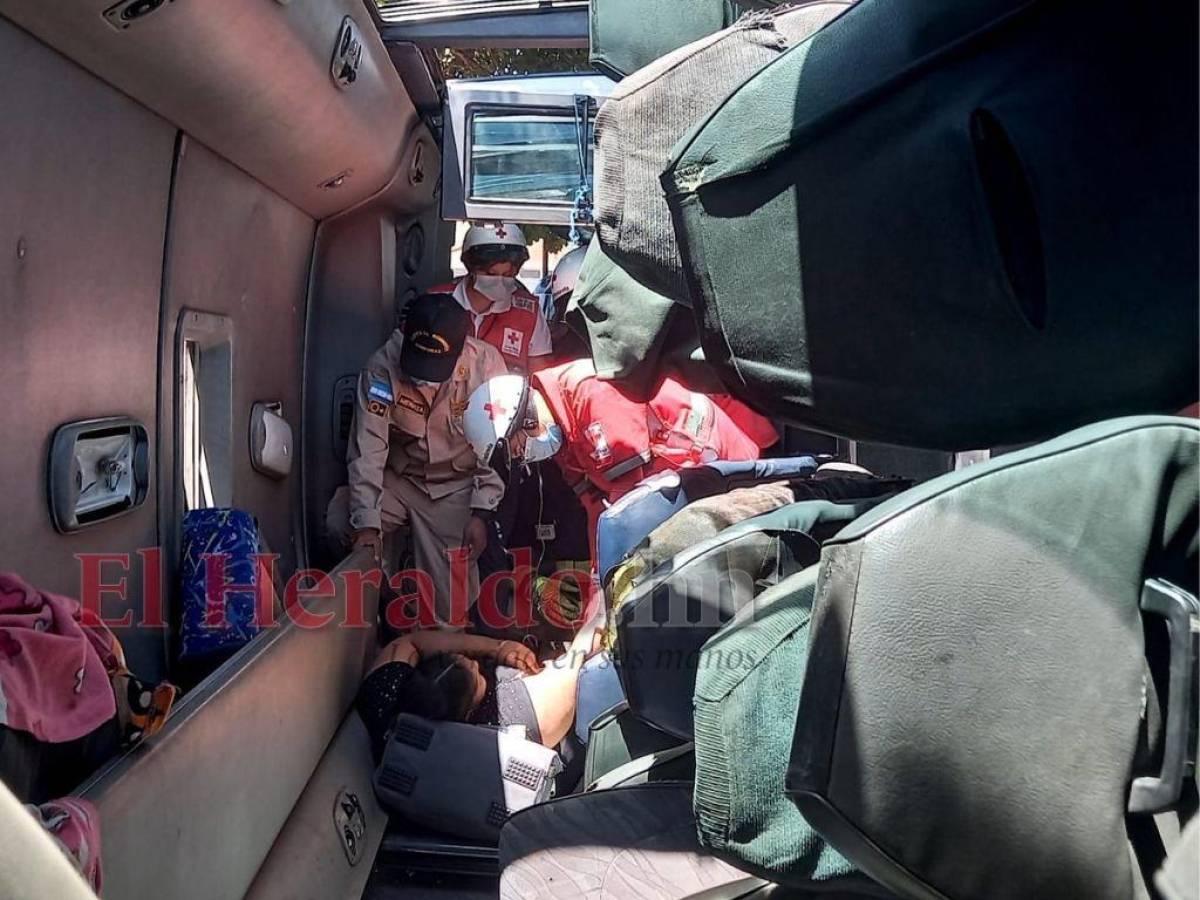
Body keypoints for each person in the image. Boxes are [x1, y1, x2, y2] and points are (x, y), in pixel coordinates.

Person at [461, 360, 780, 559]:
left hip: (723, 465)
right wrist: (600, 581)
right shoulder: (566, 435)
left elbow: (634, 504)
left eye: (515, 448)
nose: (521, 456)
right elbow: (597, 510)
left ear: (524, 420)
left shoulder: (590, 393)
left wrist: (614, 590)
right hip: (686, 485)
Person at [325, 293, 508, 627]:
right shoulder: (382, 367)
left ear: (461, 348)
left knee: (447, 614)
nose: (424, 377)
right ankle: (385, 600)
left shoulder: (486, 367)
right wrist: (367, 524)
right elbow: (368, 448)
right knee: (342, 521)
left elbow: (493, 449)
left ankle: (442, 649)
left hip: (456, 487)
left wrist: (482, 511)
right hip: (401, 479)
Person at [355, 609, 604, 758]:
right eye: (479, 677)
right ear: (469, 713)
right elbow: (575, 662)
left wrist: (498, 647)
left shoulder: (382, 691)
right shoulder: (518, 717)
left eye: (470, 661)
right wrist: (597, 621)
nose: (477, 664)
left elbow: (412, 642)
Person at [428, 223, 554, 374]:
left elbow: (541, 375)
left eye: (507, 275)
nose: (499, 281)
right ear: (472, 269)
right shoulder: (434, 303)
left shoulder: (529, 313)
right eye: (491, 274)